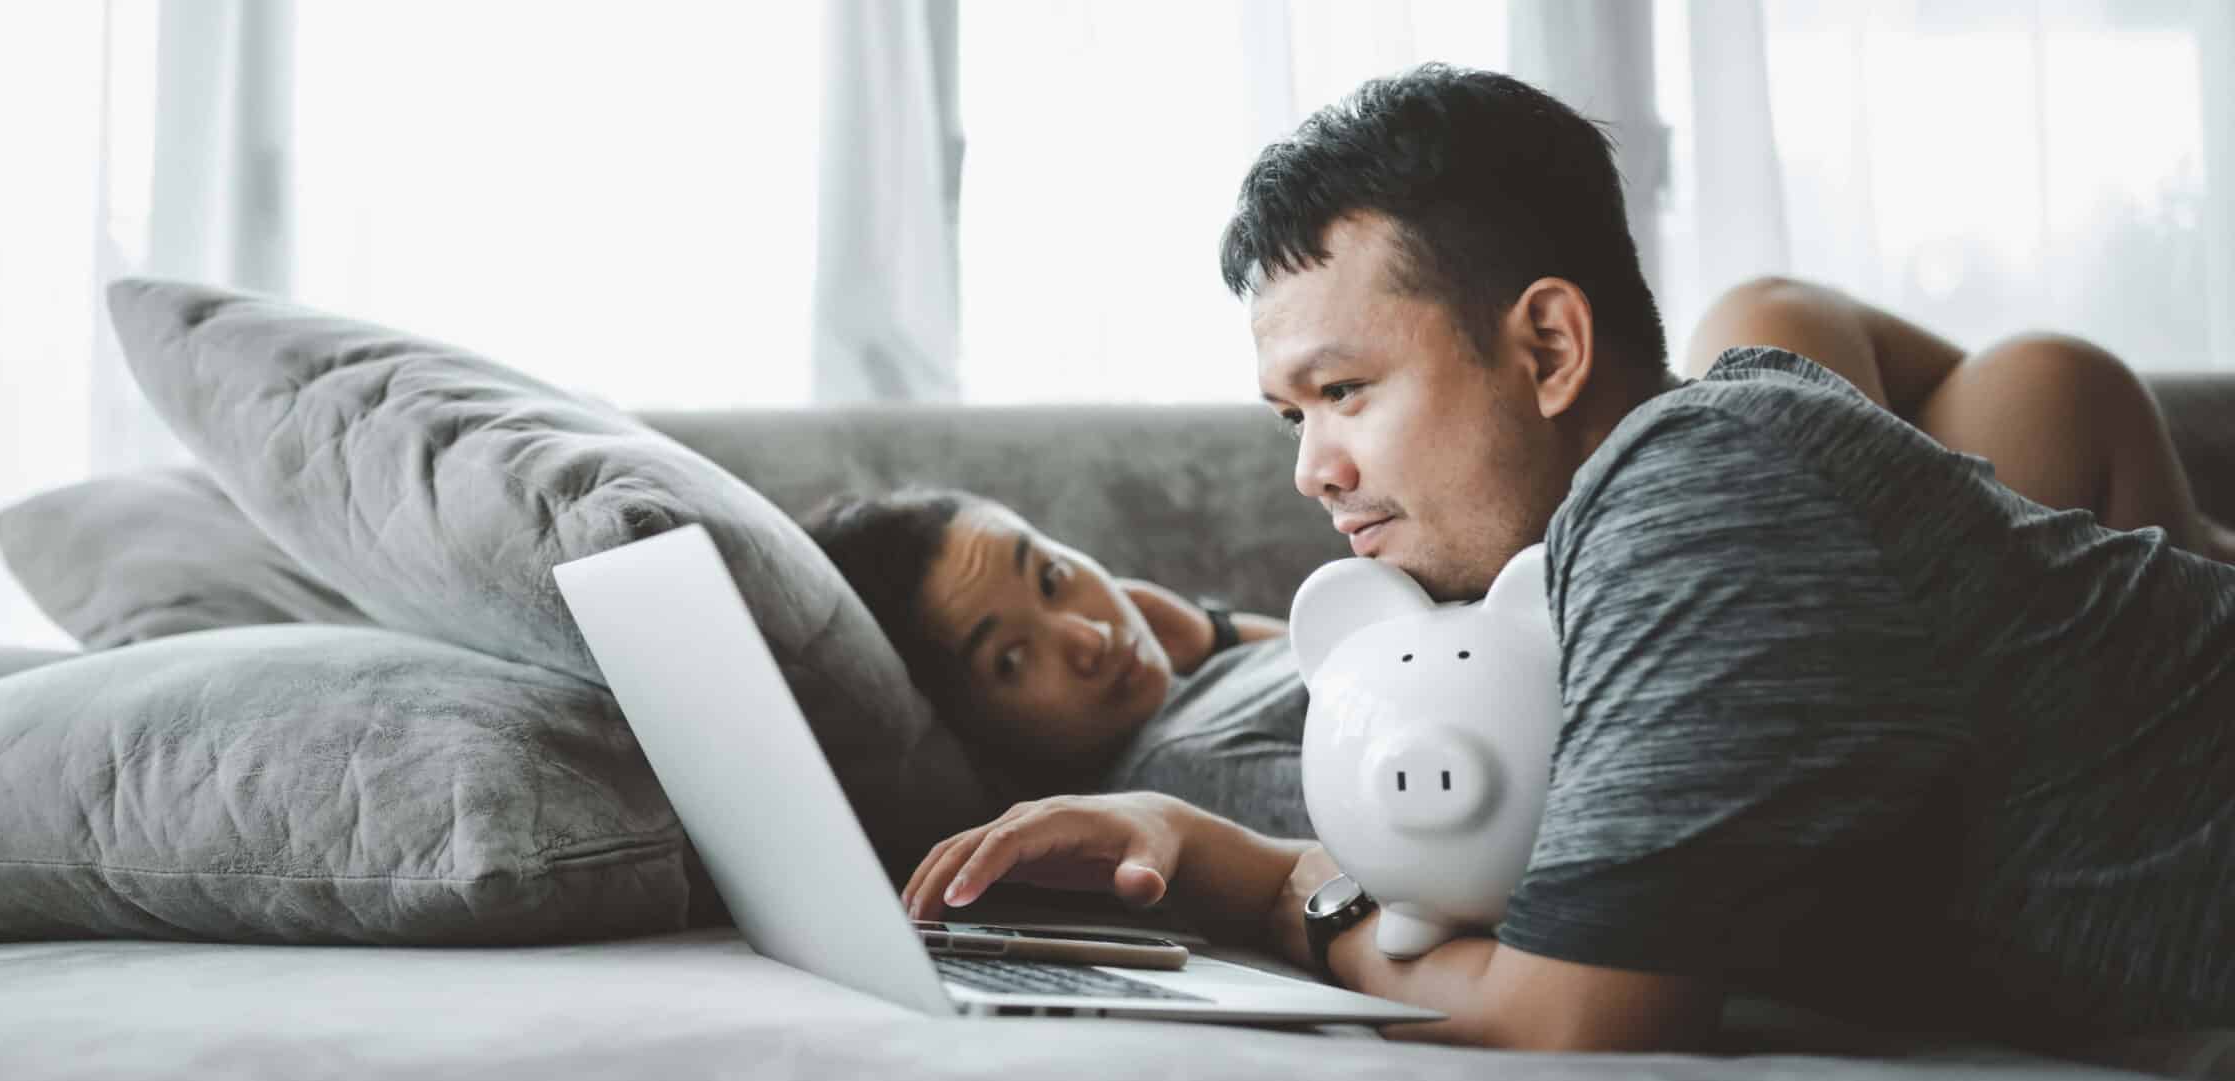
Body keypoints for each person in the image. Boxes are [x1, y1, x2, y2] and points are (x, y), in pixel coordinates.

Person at [875, 63, 2235, 1051]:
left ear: (1549, 348)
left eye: (1344, 390)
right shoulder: (1651, 510)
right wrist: (1192, 838)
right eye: (1295, 415)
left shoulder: (1695, 488)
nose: (1311, 469)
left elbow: (1571, 1010)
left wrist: (1258, 878)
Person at [806, 288, 2235, 798]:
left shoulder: (1211, 660)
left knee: (1850, 341)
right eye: (1011, 659)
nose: (1082, 629)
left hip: (1781, 589)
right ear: (977, 732)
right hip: (1715, 648)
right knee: (2022, 380)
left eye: (1049, 572)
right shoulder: (1185, 761)